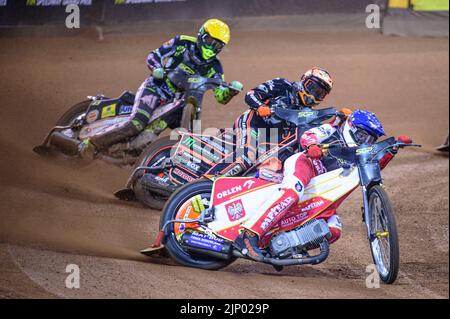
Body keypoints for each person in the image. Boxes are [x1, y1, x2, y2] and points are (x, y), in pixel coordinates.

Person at [234, 109, 413, 260]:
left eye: (370, 140)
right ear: (351, 127)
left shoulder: (359, 155)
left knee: (334, 229)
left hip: (321, 191)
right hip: (305, 165)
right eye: (362, 136)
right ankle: (249, 235)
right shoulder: (331, 130)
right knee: (292, 193)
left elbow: (373, 167)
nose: (365, 142)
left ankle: (283, 248)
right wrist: (312, 145)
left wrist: (392, 150)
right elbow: (309, 135)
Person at [79, 18, 243, 159]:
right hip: (155, 88)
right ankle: (92, 144)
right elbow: (154, 55)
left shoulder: (215, 66)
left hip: (177, 103)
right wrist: (157, 68)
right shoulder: (182, 42)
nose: (212, 48)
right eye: (210, 42)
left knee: (146, 141)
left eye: (218, 45)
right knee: (137, 123)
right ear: (201, 35)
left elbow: (220, 96)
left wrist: (231, 91)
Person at [225, 67, 333, 176]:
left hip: (270, 139)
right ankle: (215, 180)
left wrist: (338, 120)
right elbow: (251, 94)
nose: (314, 95)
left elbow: (317, 130)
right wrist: (260, 107)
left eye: (320, 93)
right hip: (252, 124)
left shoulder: (308, 114)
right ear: (304, 80)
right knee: (246, 159)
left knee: (272, 169)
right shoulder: (283, 85)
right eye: (312, 88)